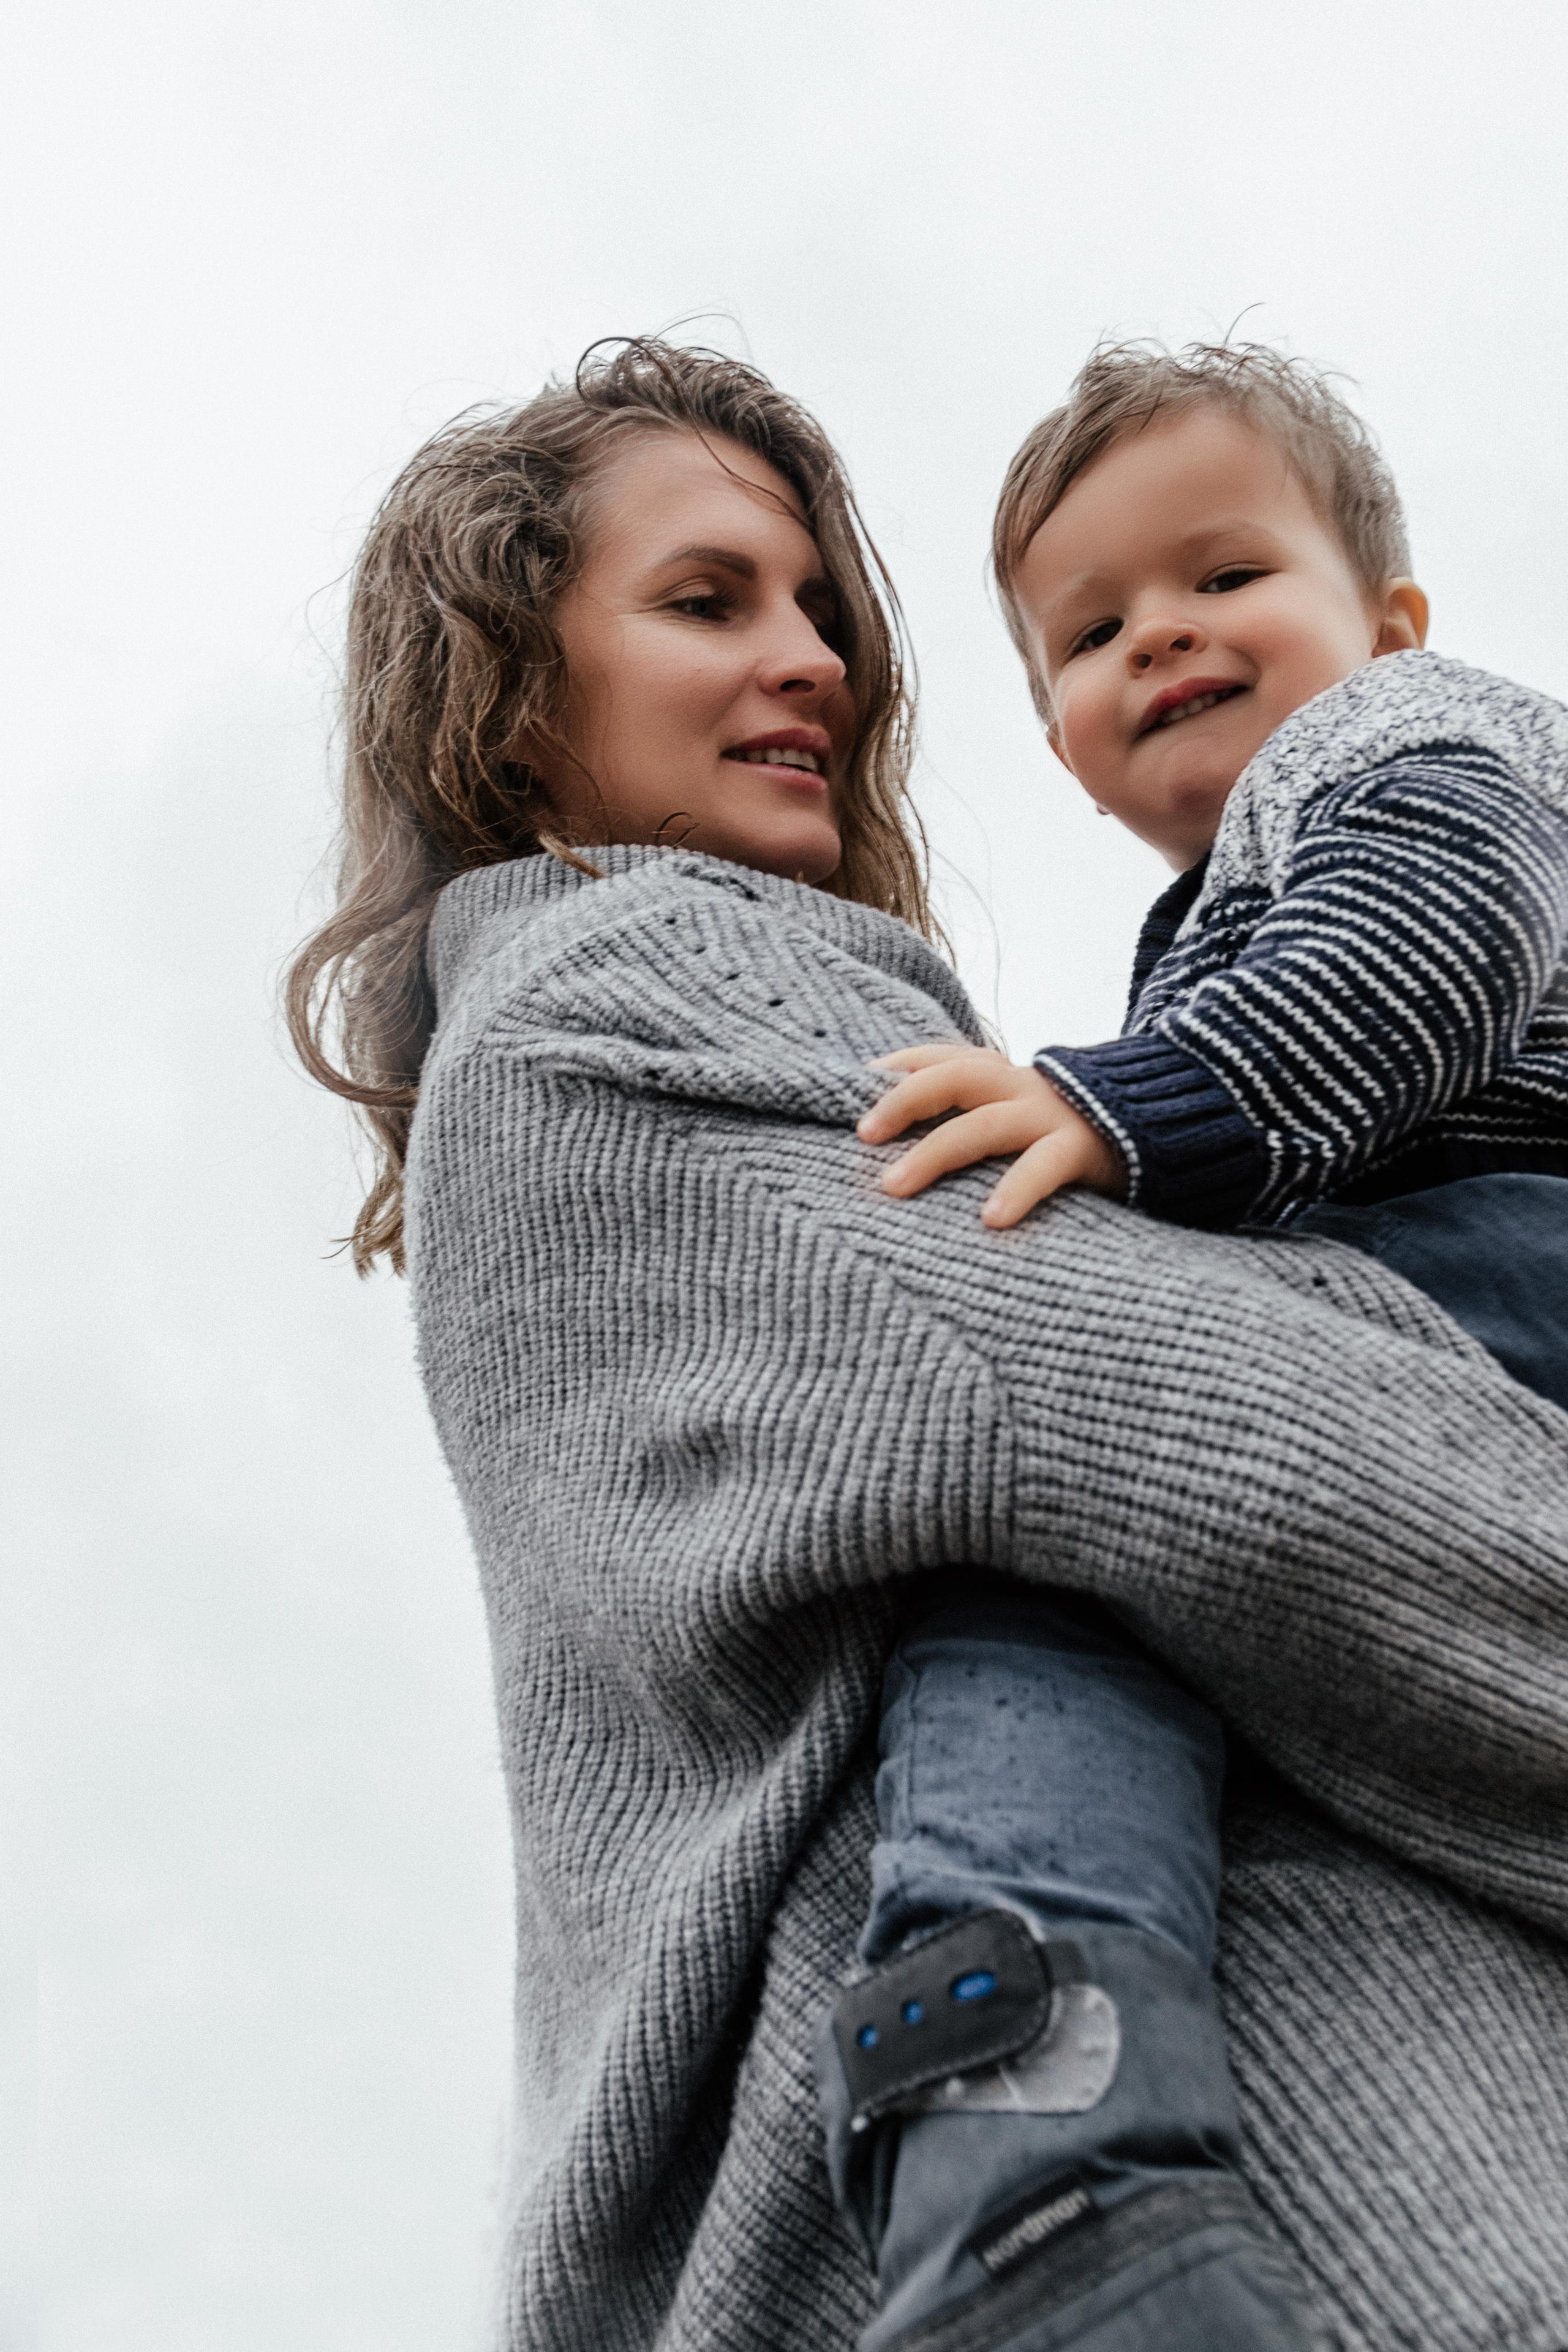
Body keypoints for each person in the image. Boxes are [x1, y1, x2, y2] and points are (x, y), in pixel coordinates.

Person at [286, 339, 1568, 2352]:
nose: (815, 663)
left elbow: (1425, 954)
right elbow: (1255, 1453)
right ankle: (1028, 2133)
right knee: (1027, 1637)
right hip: (1278, 2236)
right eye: (709, 602)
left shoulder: (1394, 765)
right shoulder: (631, 983)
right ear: (514, 697)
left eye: (826, 613)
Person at [824, 344, 1568, 2351]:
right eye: (1094, 629)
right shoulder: (1231, 908)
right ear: (1062, 739)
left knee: (1051, 1538)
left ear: (1386, 624)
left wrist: (1134, 1107)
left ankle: (1034, 2160)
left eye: (1224, 575)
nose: (1163, 636)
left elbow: (1438, 954)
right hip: (1437, 1298)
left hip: (1515, 1240)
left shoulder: (1413, 746)